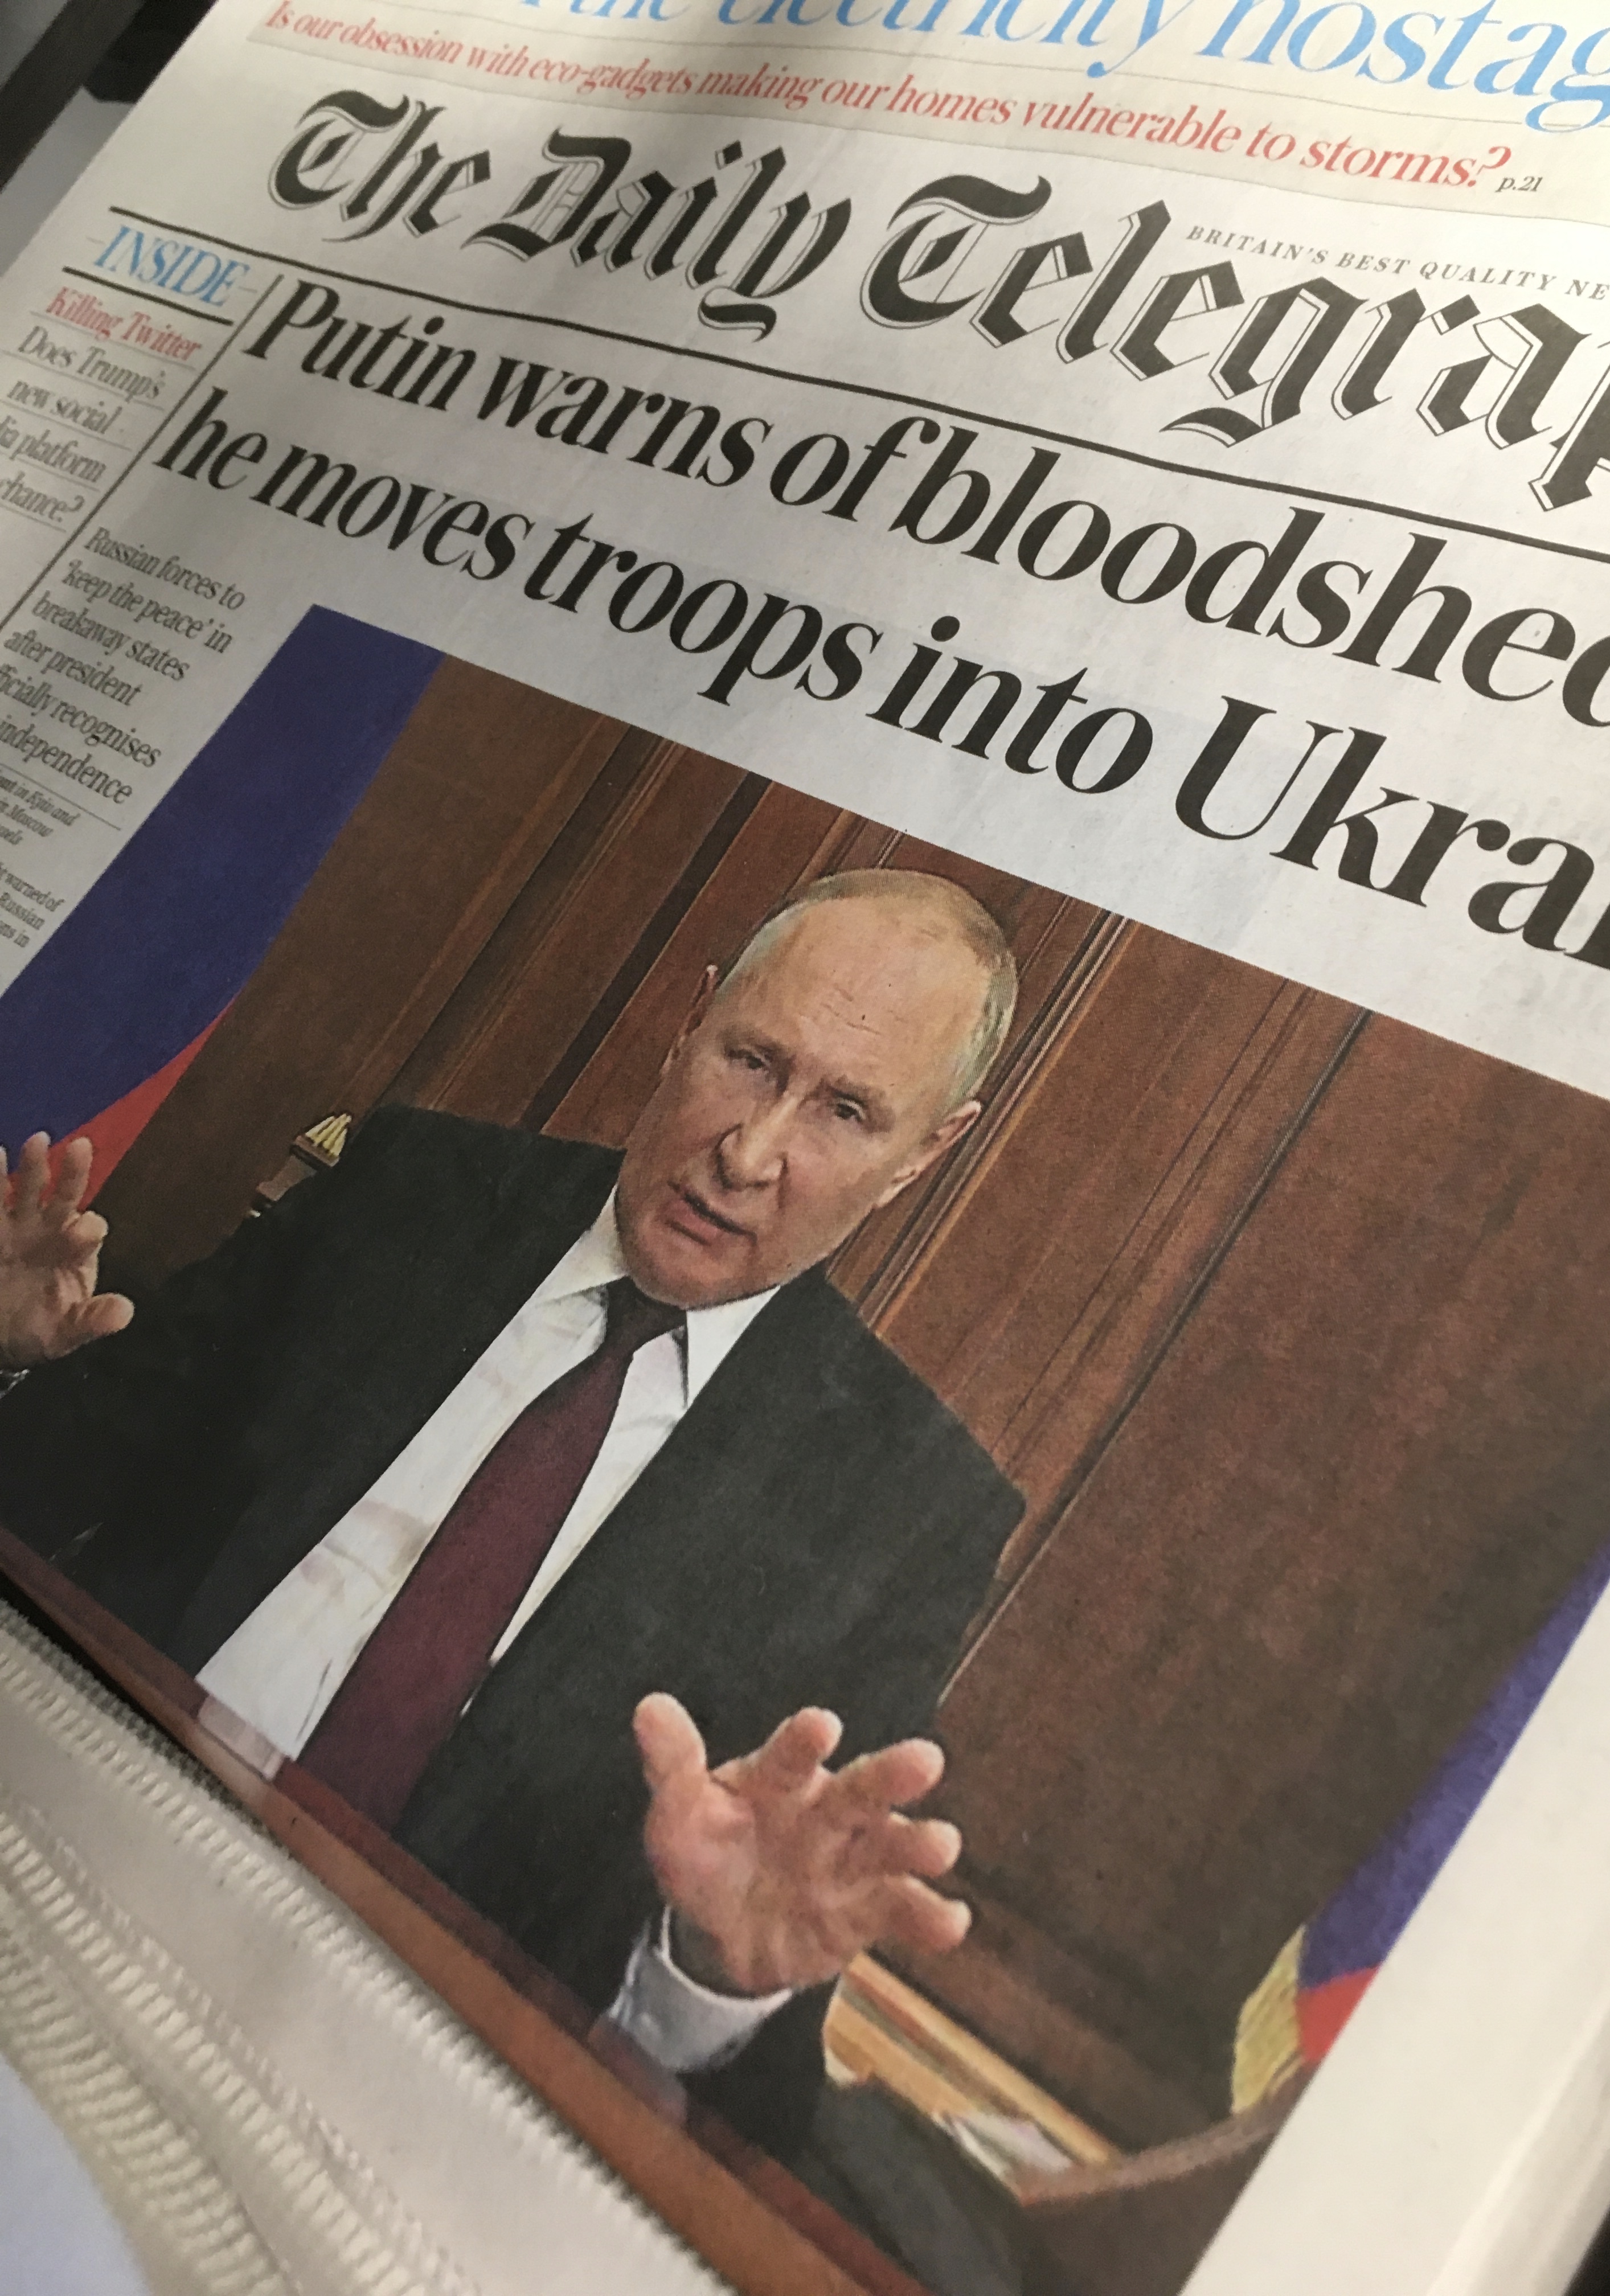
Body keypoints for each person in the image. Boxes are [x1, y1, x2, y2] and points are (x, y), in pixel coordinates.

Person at [0, 869, 1025, 2156]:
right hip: (57, 1833)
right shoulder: (409, 1187)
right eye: (752, 1060)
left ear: (924, 1155)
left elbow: (747, 2088)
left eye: (847, 1111)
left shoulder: (908, 1508)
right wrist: (14, 1364)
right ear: (691, 1020)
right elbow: (52, 1483)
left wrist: (714, 1973)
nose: (750, 1153)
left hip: (353, 2089)